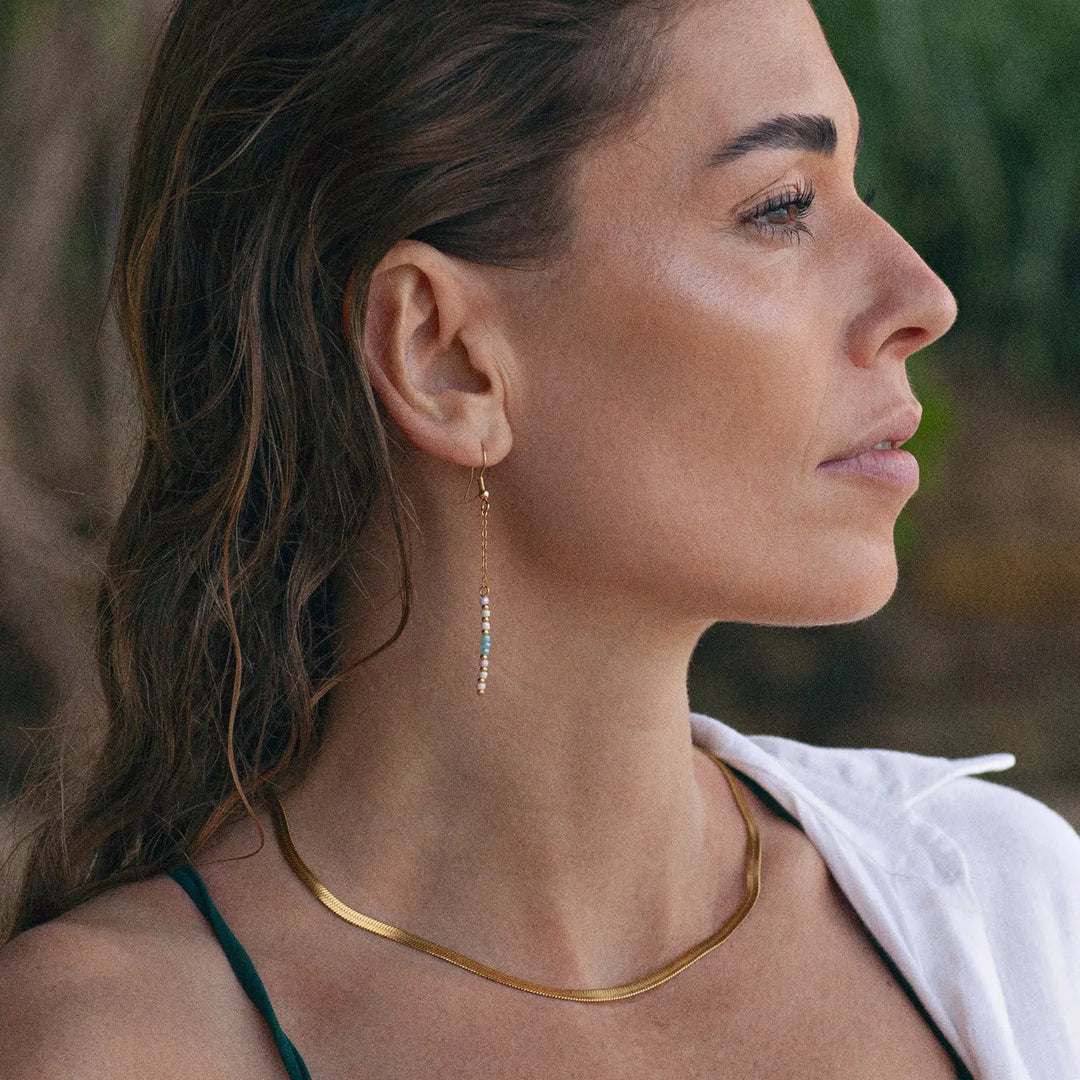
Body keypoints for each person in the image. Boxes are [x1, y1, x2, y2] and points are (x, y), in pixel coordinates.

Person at [1, 0, 1077, 1076]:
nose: (923, 297)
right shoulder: (124, 1046)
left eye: (856, 190)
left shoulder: (1011, 910)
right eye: (782, 206)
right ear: (445, 356)